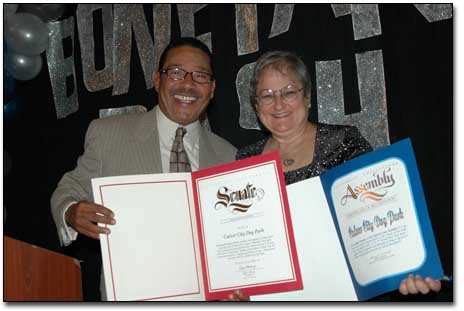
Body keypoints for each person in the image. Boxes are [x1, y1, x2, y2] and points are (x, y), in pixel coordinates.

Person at [236, 50, 442, 300]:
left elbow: (380, 215)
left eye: (289, 92)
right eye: (267, 96)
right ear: (256, 106)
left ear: (308, 97)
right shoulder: (244, 160)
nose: (278, 104)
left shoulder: (344, 141)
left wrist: (405, 270)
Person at [51, 37, 239, 300]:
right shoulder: (108, 135)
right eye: (175, 72)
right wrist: (71, 212)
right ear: (157, 79)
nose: (187, 83)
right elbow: (70, 188)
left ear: (212, 88)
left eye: (200, 76)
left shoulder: (229, 156)